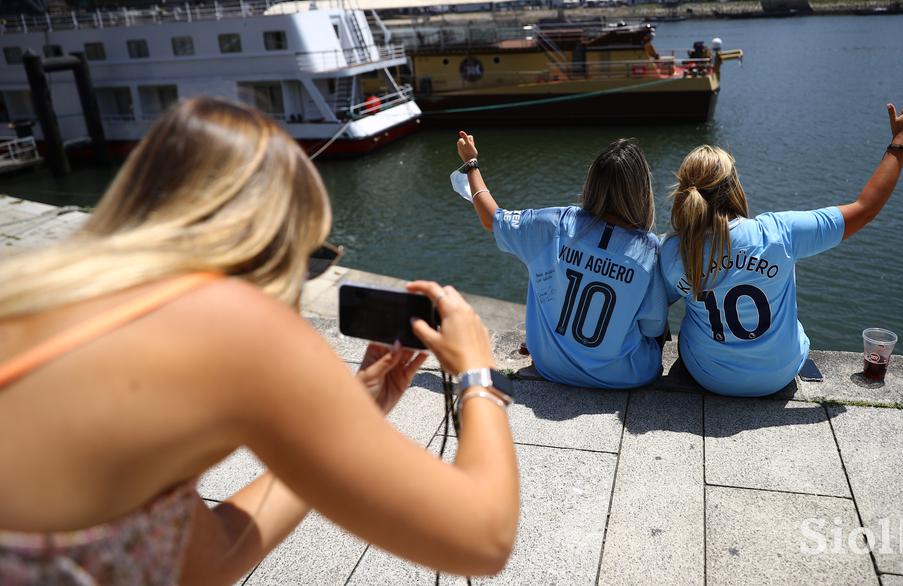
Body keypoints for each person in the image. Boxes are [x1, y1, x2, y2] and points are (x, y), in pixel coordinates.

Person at [0, 98, 519, 584]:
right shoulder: (233, 323)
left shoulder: (34, 298)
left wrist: (330, 443)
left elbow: (207, 560)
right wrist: (476, 370)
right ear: (269, 241)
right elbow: (484, 537)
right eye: (311, 254)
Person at [659, 103, 903, 397]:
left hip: (708, 376)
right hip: (778, 375)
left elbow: (658, 303)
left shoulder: (672, 250)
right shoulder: (778, 233)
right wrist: (901, 143)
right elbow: (865, 210)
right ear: (735, 187)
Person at [456, 132, 667, 389]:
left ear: (593, 182)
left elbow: (492, 218)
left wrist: (471, 163)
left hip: (550, 365)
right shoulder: (648, 249)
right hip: (623, 375)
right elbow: (653, 328)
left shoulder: (554, 224)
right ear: (641, 191)